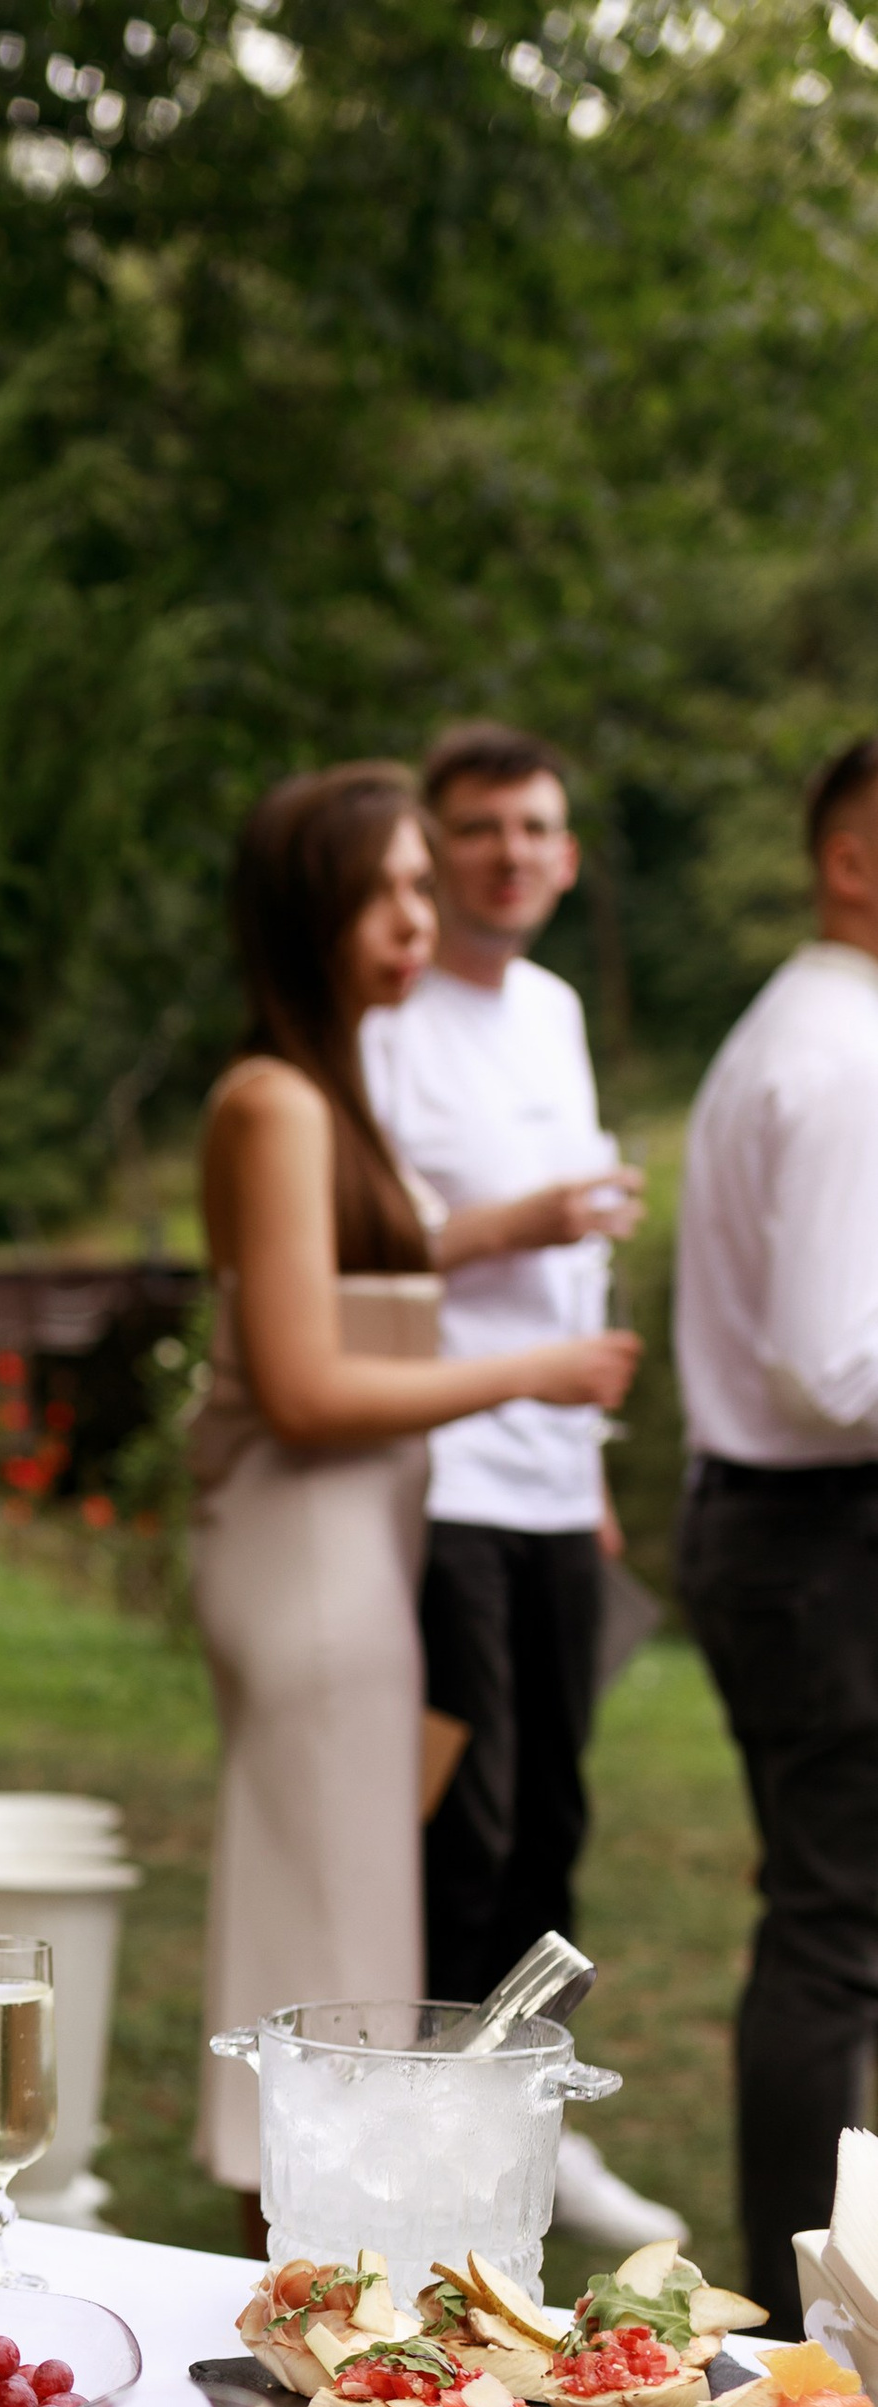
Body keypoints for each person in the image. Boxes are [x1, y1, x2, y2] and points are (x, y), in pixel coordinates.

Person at [191, 762, 642, 2221]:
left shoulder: (328, 1095)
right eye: (385, 886)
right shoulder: (278, 1101)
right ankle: (295, 2290)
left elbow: (388, 1262)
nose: (417, 911)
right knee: (323, 1964)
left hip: (355, 1554)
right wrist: (536, 1372)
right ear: (308, 908)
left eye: (413, 884)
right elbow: (307, 1381)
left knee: (353, 1949)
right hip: (312, 1556)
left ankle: (324, 2268)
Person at [361, 721, 682, 2256]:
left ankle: (532, 2132)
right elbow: (364, 1241)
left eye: (537, 827)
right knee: (464, 1826)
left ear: (566, 850)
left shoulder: (552, 1009)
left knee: (554, 1817)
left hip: (559, 1480)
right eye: (480, 828)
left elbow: (584, 1267)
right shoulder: (390, 1018)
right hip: (447, 1471)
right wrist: (527, 1217)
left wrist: (598, 1473)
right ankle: (421, 2133)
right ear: (436, 848)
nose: (512, 852)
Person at [676, 733, 878, 2310]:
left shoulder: (816, 1030)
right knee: (831, 1929)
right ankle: (803, 2319)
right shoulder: (841, 1052)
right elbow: (830, 1367)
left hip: (794, 1533)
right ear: (850, 857)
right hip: (823, 1538)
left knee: (833, 1917)